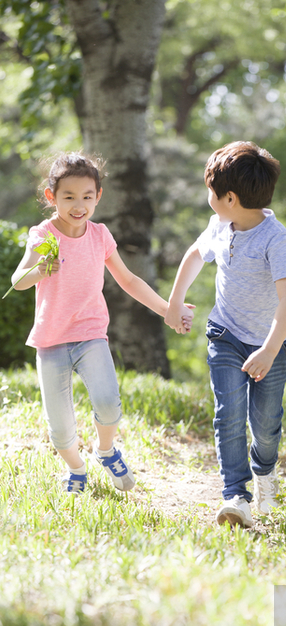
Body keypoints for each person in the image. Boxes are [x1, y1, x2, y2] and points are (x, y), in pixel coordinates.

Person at [10, 152, 194, 494]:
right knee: (61, 431)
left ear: (98, 196)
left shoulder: (100, 236)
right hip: (51, 340)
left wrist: (168, 308)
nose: (78, 205)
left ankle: (105, 450)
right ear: (52, 197)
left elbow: (129, 280)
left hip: (90, 334)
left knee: (108, 402)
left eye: (87, 197)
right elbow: (18, 280)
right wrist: (41, 270)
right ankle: (76, 469)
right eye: (68, 197)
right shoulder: (44, 234)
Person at [165, 141, 286, 528]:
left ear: (229, 197)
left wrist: (271, 350)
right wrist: (175, 301)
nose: (208, 197)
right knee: (229, 414)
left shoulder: (276, 238)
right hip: (225, 334)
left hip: (269, 345)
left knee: (266, 425)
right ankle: (235, 496)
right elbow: (195, 255)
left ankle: (265, 472)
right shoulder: (220, 224)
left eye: (211, 190)